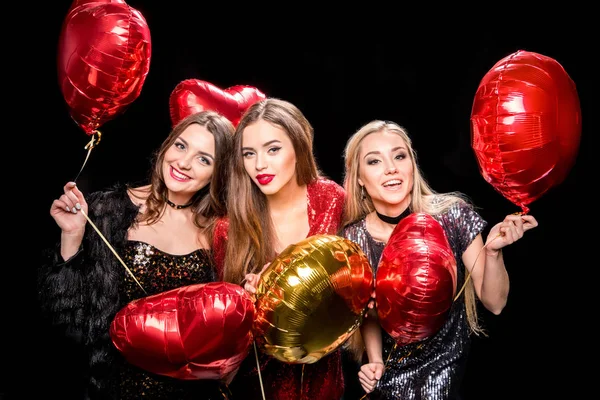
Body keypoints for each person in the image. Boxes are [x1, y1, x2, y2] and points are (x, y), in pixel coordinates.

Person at [38, 110, 235, 400]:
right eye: (180, 146)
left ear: (218, 174)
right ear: (167, 145)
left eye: (203, 159)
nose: (183, 162)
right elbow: (70, 325)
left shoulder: (222, 231)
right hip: (114, 390)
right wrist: (72, 235)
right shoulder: (108, 210)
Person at [339, 120, 539, 400]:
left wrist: (493, 252)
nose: (391, 168)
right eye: (374, 161)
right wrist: (374, 361)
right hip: (385, 386)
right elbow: (369, 311)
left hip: (444, 383)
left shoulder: (453, 216)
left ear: (412, 164)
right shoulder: (353, 238)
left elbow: (495, 303)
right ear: (359, 177)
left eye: (399, 156)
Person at [212, 98, 347, 400]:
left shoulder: (332, 199)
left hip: (325, 386)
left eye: (273, 149)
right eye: (249, 153)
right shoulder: (228, 230)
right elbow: (225, 340)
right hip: (257, 387)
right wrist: (248, 304)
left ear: (299, 148)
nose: (260, 164)